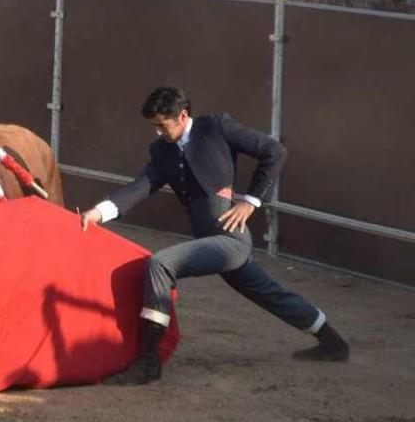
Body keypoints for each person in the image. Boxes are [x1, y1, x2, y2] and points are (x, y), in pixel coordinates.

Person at [80, 86, 350, 386]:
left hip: (231, 241)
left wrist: (251, 201)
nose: (158, 133)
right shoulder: (162, 152)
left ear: (182, 116)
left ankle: (148, 362)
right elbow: (140, 186)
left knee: (161, 264)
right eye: (154, 126)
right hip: (211, 242)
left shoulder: (215, 127)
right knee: (268, 292)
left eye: (162, 125)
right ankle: (333, 342)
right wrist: (99, 212)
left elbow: (275, 151)